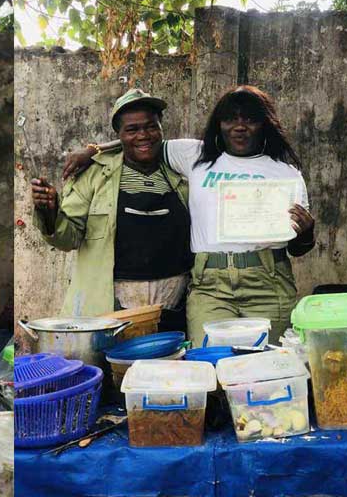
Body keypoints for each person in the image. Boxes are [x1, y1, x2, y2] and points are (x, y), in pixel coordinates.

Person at [64, 85, 315, 346]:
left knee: (266, 364)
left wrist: (307, 233)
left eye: (250, 119)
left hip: (268, 283)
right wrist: (93, 149)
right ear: (219, 124)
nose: (240, 127)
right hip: (210, 286)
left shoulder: (287, 175)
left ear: (265, 124)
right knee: (210, 362)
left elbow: (297, 248)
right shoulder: (194, 155)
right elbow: (142, 140)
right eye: (231, 119)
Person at [31, 89, 192, 321]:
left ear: (161, 129)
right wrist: (50, 212)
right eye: (132, 130)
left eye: (151, 127)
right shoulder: (95, 176)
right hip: (110, 309)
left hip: (174, 309)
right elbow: (68, 239)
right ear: (119, 135)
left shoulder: (181, 171)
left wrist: (95, 147)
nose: (143, 135)